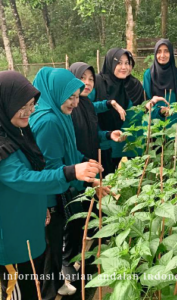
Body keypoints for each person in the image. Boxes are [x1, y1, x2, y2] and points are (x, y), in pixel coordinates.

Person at [0, 71, 101, 300]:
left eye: (31, 104)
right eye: (21, 106)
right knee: (20, 292)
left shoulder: (18, 131)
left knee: (35, 288)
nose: (29, 112)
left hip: (30, 229)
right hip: (11, 237)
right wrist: (71, 172)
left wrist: (42, 207)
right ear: (3, 103)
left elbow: (35, 170)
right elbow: (24, 178)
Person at [29, 67, 107, 299]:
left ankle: (55, 282)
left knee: (55, 241)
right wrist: (82, 175)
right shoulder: (49, 121)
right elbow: (49, 168)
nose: (74, 103)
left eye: (76, 96)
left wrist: (86, 164)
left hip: (58, 188)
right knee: (50, 243)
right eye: (69, 97)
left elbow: (68, 152)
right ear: (54, 94)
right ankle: (49, 288)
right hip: (49, 196)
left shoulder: (60, 115)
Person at [60, 62, 126, 294]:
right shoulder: (67, 109)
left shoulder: (85, 104)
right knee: (74, 217)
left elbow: (93, 134)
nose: (87, 83)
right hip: (74, 170)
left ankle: (85, 256)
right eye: (82, 79)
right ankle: (68, 262)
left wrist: (108, 134)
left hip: (89, 166)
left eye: (90, 79)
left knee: (88, 212)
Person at [90, 48, 144, 175]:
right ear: (111, 63)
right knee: (106, 181)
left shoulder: (134, 84)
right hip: (106, 140)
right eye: (119, 63)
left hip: (130, 140)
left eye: (127, 63)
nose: (124, 67)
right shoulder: (98, 83)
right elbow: (86, 108)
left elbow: (140, 110)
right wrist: (109, 104)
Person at [143, 39, 177, 131]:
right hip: (154, 124)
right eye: (159, 52)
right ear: (155, 54)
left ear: (171, 54)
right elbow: (146, 101)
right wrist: (159, 111)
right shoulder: (148, 74)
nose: (162, 55)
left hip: (173, 123)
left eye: (166, 51)